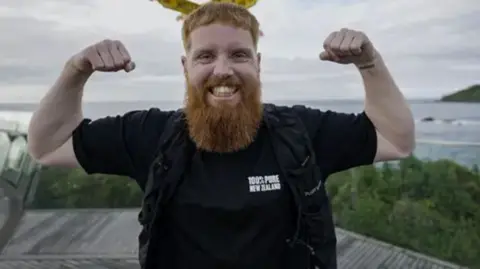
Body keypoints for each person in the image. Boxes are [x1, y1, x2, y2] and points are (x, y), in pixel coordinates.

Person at [27, 2, 415, 269]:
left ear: (258, 64)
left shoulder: (300, 132)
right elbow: (47, 146)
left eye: (239, 55)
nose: (223, 70)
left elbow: (394, 138)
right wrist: (76, 69)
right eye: (206, 56)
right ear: (186, 67)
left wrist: (369, 62)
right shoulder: (150, 134)